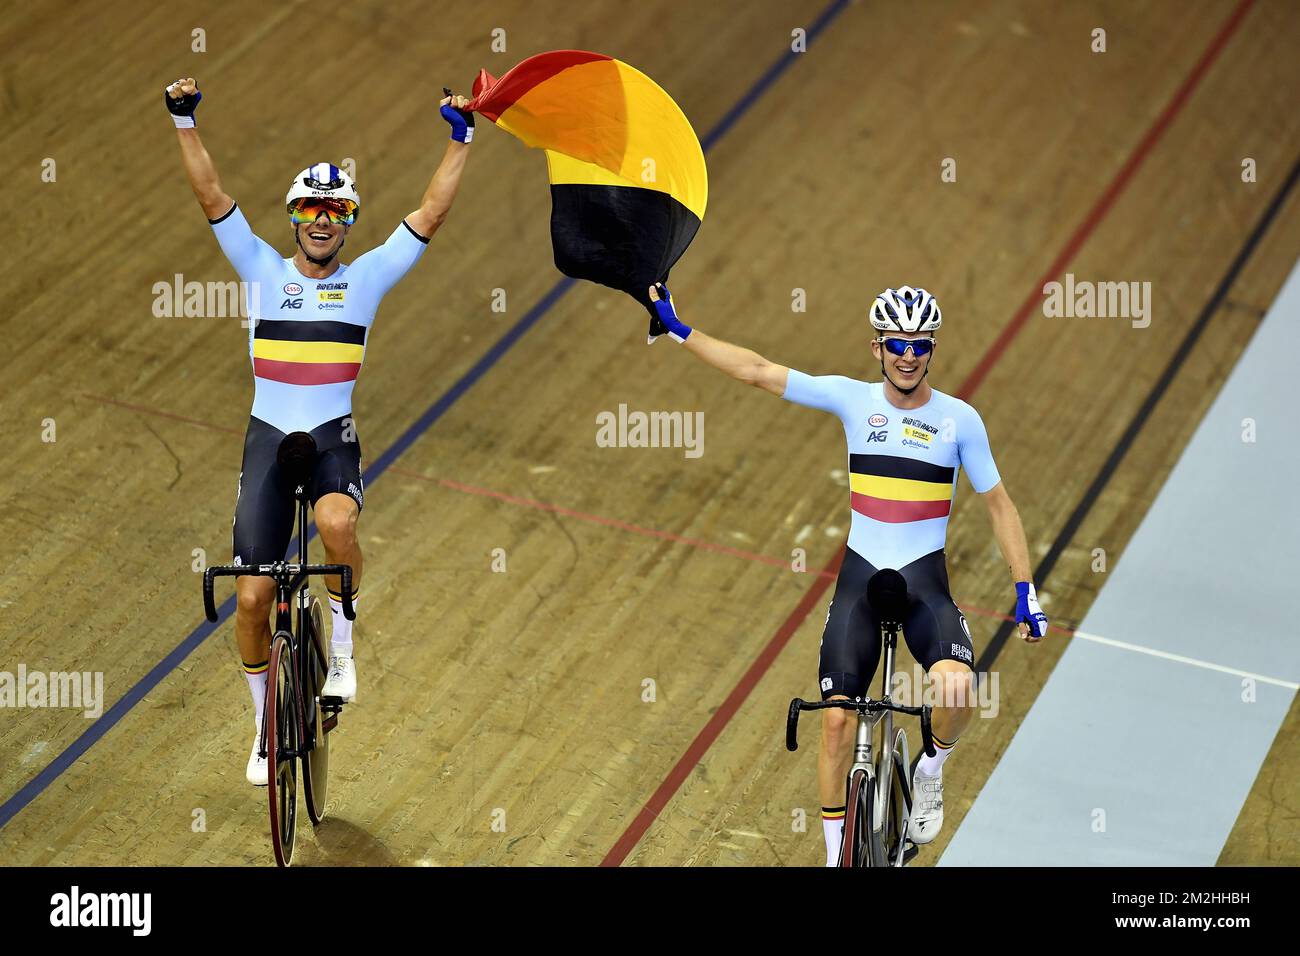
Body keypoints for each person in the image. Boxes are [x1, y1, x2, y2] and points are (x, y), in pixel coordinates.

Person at [646, 283, 1049, 864]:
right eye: (896, 344)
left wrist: (1024, 592)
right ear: (876, 347)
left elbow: (1001, 507)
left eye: (919, 343)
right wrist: (681, 330)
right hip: (862, 581)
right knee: (835, 721)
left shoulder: (960, 420)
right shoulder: (853, 400)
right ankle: (837, 858)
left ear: (931, 348)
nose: (908, 354)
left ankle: (931, 767)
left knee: (959, 685)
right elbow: (757, 371)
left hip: (923, 585)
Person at [165, 76, 474, 785]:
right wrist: (184, 121)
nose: (323, 220)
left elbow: (431, 211)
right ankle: (262, 724)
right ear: (296, 218)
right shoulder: (260, 267)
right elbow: (212, 196)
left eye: (336, 210)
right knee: (250, 599)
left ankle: (341, 650)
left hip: (330, 432)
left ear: (348, 221)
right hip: (270, 435)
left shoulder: (365, 279)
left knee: (335, 526)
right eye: (312, 208)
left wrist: (462, 136)